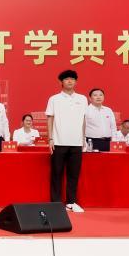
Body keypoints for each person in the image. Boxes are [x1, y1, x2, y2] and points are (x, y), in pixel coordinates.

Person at [46, 69, 88, 214]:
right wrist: (50, 138)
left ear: (76, 82)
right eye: (66, 79)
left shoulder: (82, 99)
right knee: (56, 174)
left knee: (73, 174)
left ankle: (71, 202)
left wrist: (83, 138)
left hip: (76, 142)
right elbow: (50, 118)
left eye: (72, 79)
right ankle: (56, 204)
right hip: (58, 141)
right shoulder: (54, 99)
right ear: (61, 82)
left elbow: (84, 119)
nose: (70, 81)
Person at [84, 88, 117, 152]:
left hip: (108, 142)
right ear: (90, 98)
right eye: (95, 95)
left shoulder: (108, 110)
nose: (98, 97)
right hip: (92, 142)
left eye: (101, 95)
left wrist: (114, 141)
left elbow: (113, 127)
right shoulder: (86, 110)